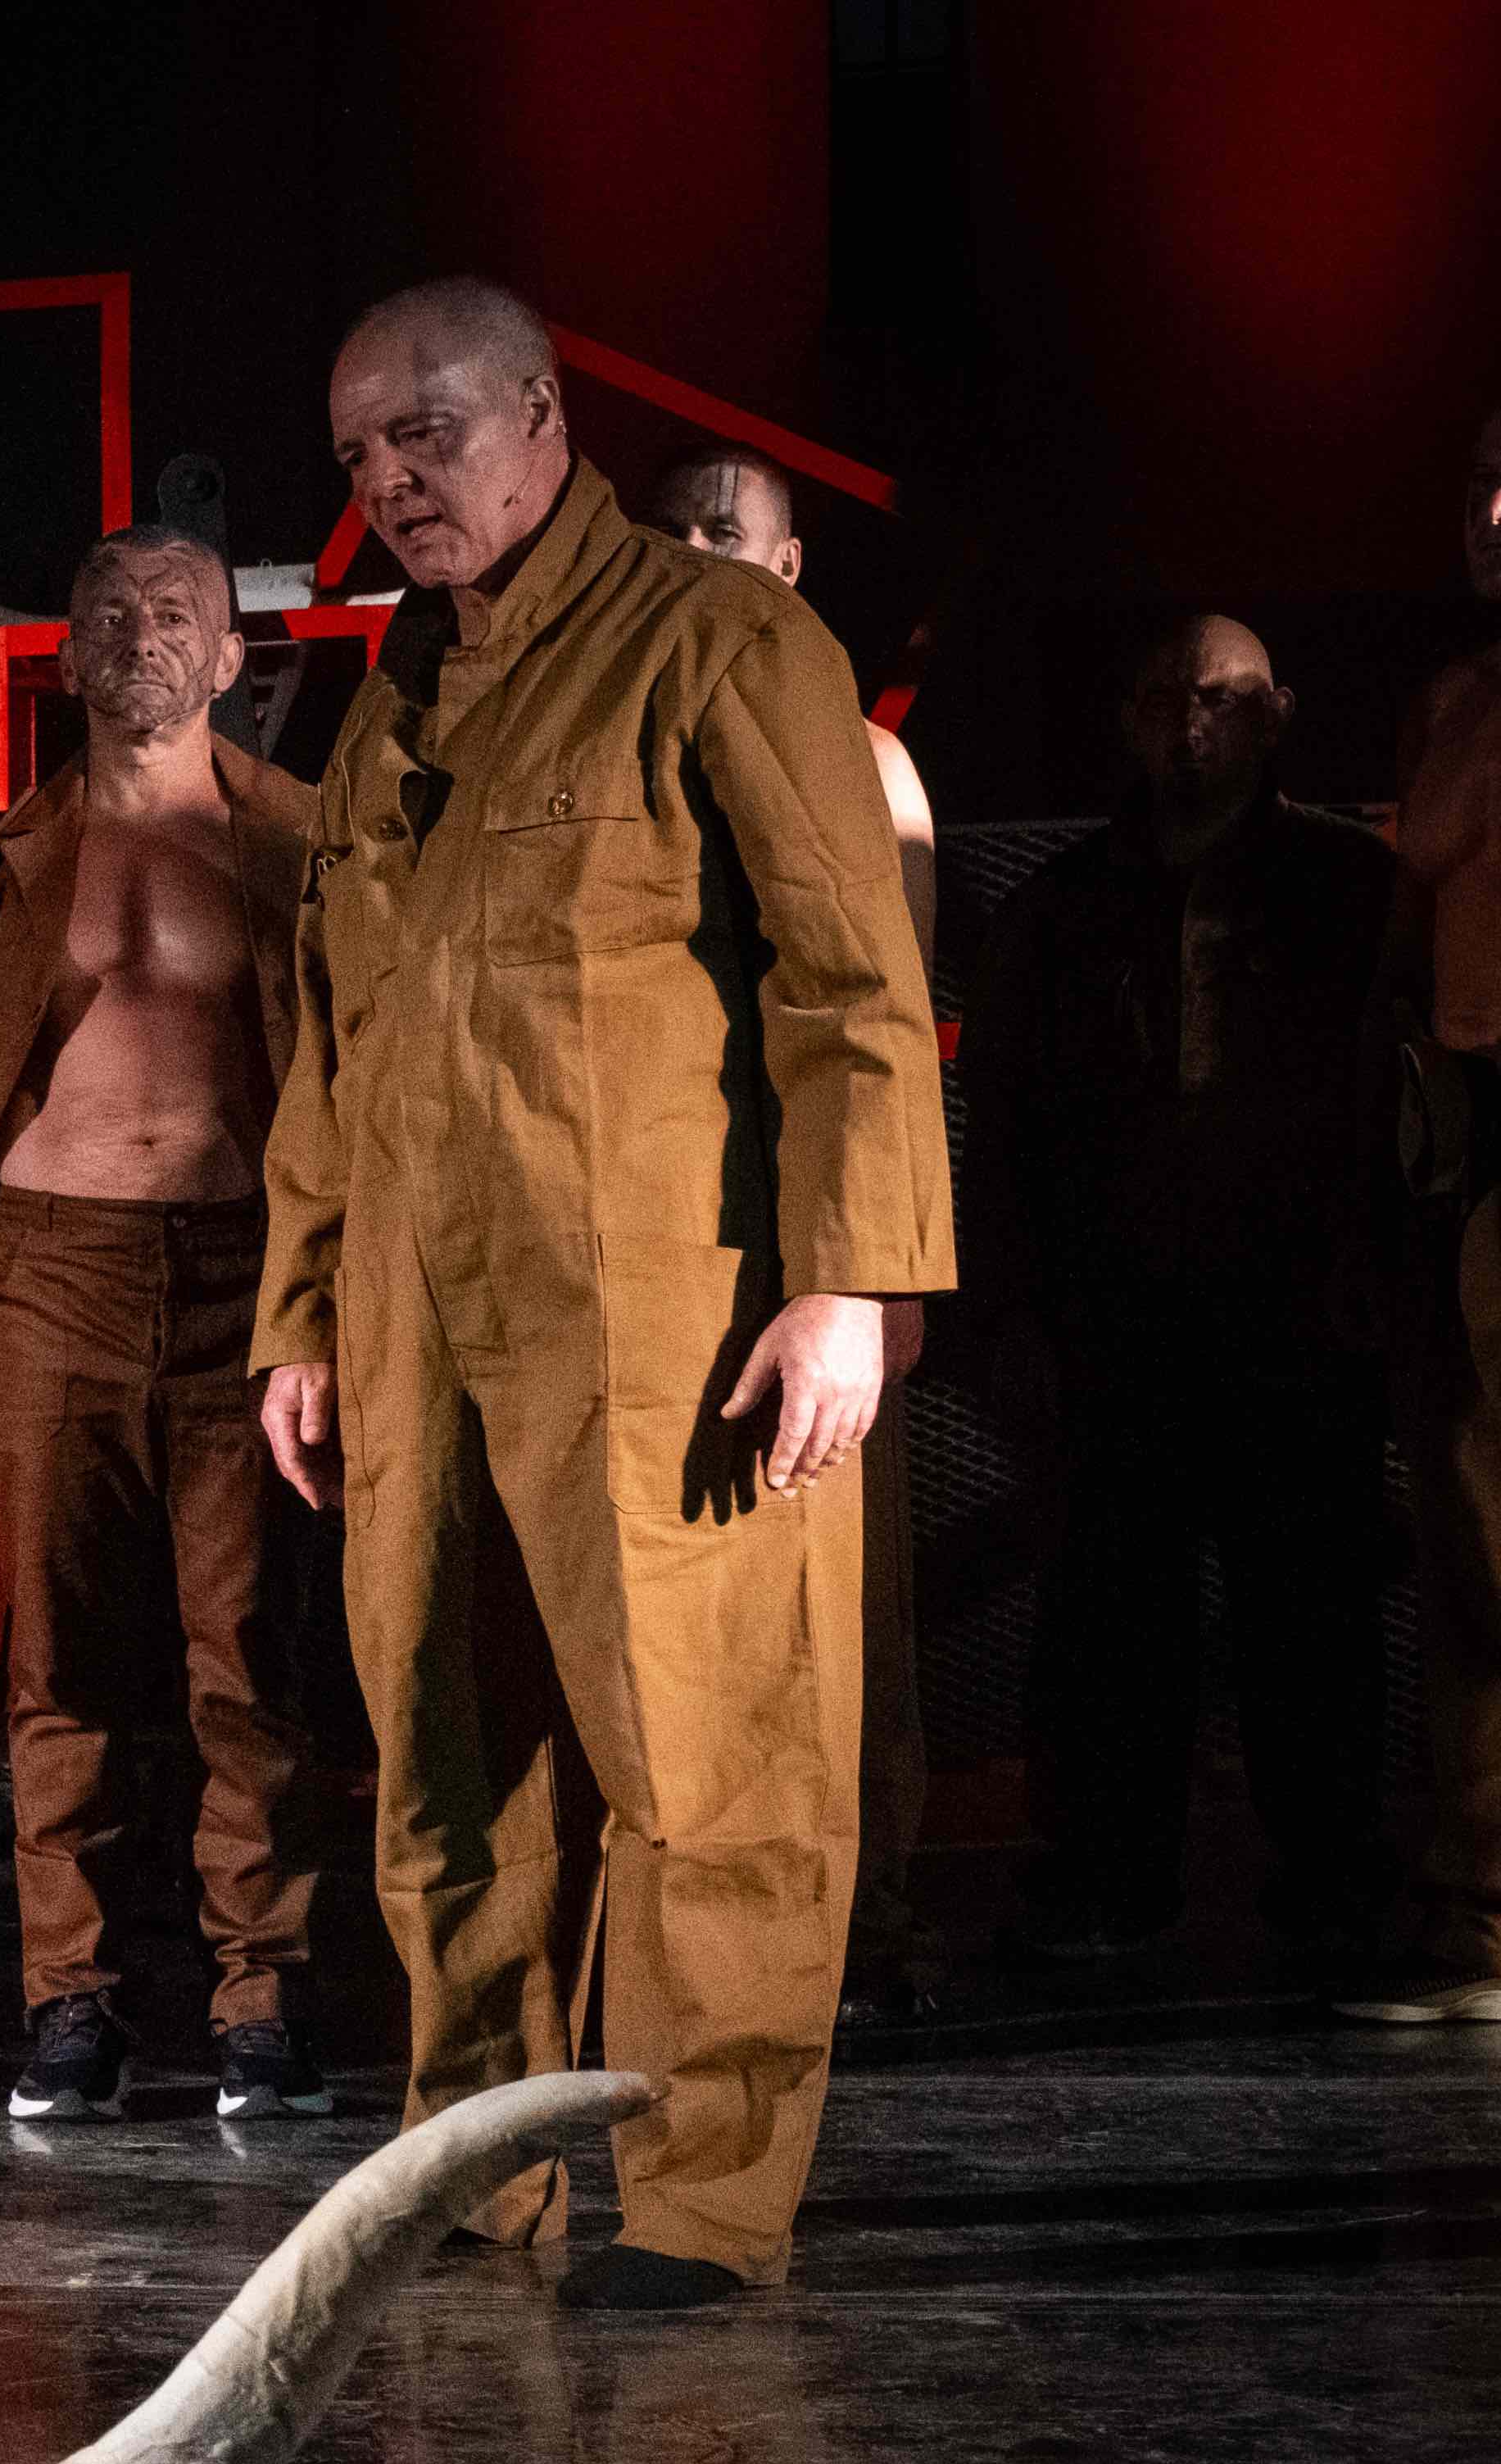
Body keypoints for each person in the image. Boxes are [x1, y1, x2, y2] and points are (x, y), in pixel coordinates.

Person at [255, 282, 950, 2308]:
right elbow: (332, 1044)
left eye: (430, 434)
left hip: (670, 1320)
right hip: (417, 1314)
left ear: (546, 415)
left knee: (710, 1758)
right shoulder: (392, 708)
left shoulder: (720, 642)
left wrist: (855, 1287)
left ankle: (701, 2195)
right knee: (446, 1759)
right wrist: (302, 1311)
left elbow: (852, 990)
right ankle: (484, 2162)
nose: (392, 482)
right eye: (364, 453)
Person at [0, 527, 333, 2122]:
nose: (143, 635)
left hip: (245, 1272)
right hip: (49, 1269)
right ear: (66, 654)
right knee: (59, 1665)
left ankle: (258, 2000)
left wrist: (328, 1305)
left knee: (247, 1652)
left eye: (177, 614)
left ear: (227, 659)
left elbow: (362, 1090)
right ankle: (74, 2004)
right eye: (112, 612)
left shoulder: (304, 845)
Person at [964, 615, 1398, 1972]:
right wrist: (1011, 1315)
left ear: (1276, 713)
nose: (1190, 725)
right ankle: (1105, 1881)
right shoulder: (1065, 903)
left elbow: (1391, 1103)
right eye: (1166, 699)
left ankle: (1331, 1889)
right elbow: (1008, 1121)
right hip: (1115, 1317)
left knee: (1311, 1616)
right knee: (1108, 1619)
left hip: (1296, 1312)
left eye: (1219, 699)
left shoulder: (1348, 884)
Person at [647, 442, 947, 2022]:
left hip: (820, 1239)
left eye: (724, 530)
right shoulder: (645, 728)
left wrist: (878, 1267)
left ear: (785, 563)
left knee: (852, 1599)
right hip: (680, 1234)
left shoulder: (861, 759)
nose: (692, 549)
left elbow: (881, 1024)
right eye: (670, 528)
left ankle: (870, 1915)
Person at [1345, 403, 1501, 2023]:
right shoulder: (1456, 698)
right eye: (1478, 477)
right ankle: (1481, 1915)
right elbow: (1411, 941)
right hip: (1466, 1142)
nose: (1498, 507)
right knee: (1469, 1536)